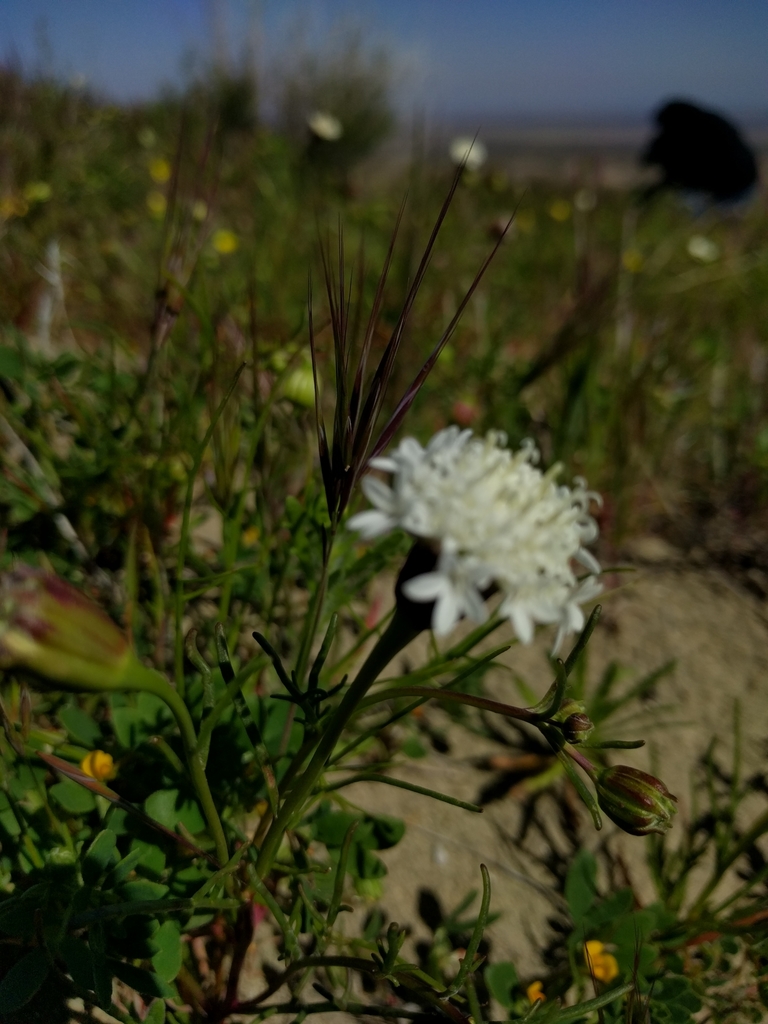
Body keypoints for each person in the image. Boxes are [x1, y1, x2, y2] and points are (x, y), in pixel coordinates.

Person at [642, 99, 758, 207]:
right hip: (740, 183)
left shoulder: (690, 136)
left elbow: (677, 169)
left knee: (699, 209)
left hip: (731, 186)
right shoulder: (712, 124)